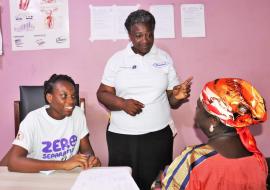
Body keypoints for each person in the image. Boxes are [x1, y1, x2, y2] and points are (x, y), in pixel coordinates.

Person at [96, 9, 192, 190]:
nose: (145, 40)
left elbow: (172, 100)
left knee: (156, 184)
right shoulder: (117, 60)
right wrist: (122, 104)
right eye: (139, 35)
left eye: (149, 34)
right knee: (124, 184)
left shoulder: (164, 58)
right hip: (123, 137)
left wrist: (177, 96)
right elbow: (102, 94)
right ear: (130, 36)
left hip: (158, 136)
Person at [161, 78, 268, 190]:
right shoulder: (258, 160)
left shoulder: (193, 160)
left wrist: (159, 182)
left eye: (198, 107)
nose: (195, 112)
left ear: (213, 121)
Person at [6, 74, 101, 172]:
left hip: (66, 175)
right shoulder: (33, 120)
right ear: (50, 98)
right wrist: (63, 165)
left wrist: (90, 159)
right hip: (37, 176)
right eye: (64, 96)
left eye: (73, 96)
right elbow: (13, 162)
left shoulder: (77, 114)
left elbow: (86, 150)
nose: (71, 101)